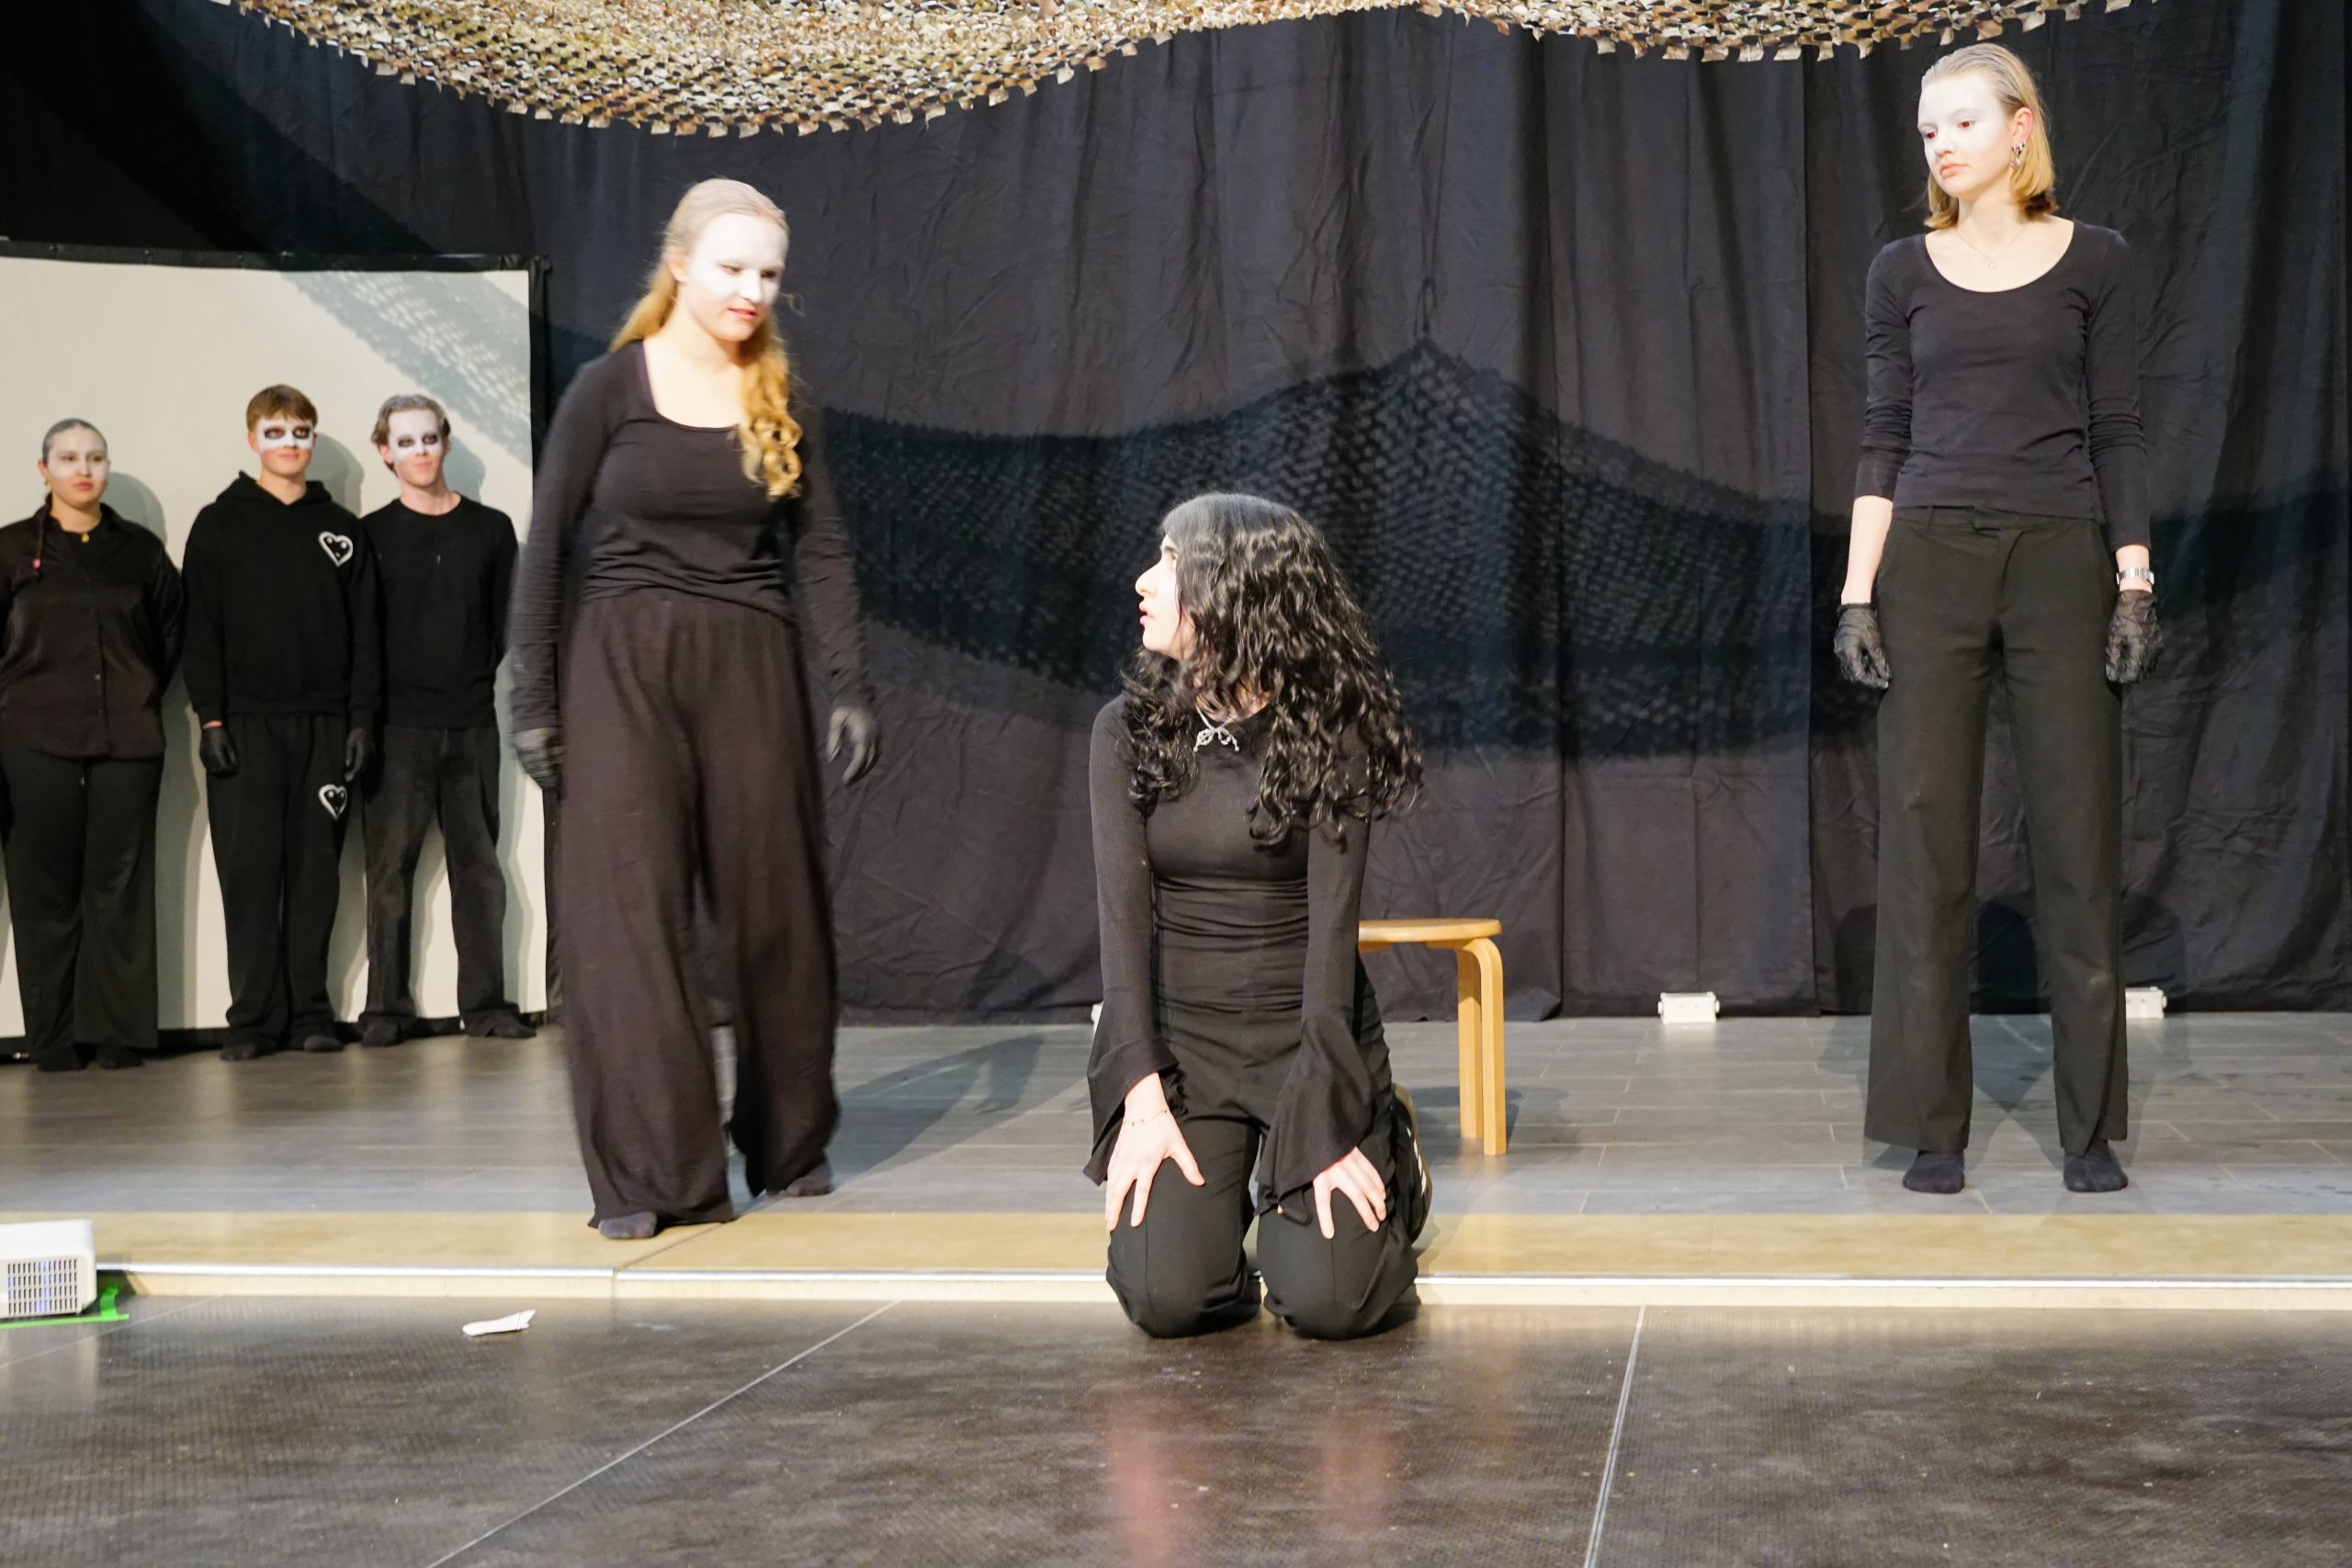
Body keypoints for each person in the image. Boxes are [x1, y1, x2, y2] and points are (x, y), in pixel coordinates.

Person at [507, 179, 879, 1240]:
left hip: (749, 662)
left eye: (768, 273)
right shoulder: (607, 390)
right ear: (679, 266)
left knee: (774, 910)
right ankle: (651, 1172)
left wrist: (850, 682)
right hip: (622, 664)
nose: (750, 290)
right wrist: (533, 700)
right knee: (627, 918)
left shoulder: (785, 397)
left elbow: (821, 549)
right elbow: (546, 548)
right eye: (731, 268)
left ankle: (787, 1137)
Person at [1832, 43, 2159, 1197]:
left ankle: (2089, 1128)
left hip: (2060, 558)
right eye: (1928, 130)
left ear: (2020, 128)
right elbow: (1882, 435)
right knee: (1925, 844)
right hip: (1927, 561)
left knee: (2077, 839)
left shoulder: (2097, 260)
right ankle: (1931, 1126)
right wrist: (1856, 593)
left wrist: (2133, 581)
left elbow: (2116, 428)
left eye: (1963, 123)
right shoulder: (1899, 272)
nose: (1942, 145)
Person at [1087, 492, 1430, 1340]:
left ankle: (1393, 1150)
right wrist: (1141, 1100)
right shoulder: (1126, 731)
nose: (1145, 580)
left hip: (1303, 1035)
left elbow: (1333, 940)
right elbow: (1121, 931)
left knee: (1333, 1298)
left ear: (1235, 592)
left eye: (1172, 563)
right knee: (1167, 1295)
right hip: (1185, 1048)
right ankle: (1222, 1218)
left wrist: (1330, 1107)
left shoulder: (1329, 734)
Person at [183, 386, 380, 1060]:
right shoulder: (219, 523)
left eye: (300, 432)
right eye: (275, 432)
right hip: (244, 727)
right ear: (253, 440)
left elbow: (366, 635)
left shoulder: (343, 530)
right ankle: (251, 1020)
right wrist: (211, 718)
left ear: (312, 440)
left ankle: (309, 1015)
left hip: (325, 728)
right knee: (249, 876)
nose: (289, 443)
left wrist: (360, 719)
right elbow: (201, 627)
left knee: (315, 875)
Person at [0, 421, 185, 1071]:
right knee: (42, 888)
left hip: (127, 739)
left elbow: (169, 634)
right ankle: (52, 1037)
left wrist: (138, 691)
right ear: (43, 469)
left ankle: (117, 1033)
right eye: (69, 458)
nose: (84, 469)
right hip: (31, 739)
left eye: (96, 457)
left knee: (120, 889)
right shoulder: (10, 550)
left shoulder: (138, 551)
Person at [356, 393, 532, 1048]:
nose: (420, 451)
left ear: (446, 443)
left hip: (471, 721)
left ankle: (486, 1005)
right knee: (389, 872)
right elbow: (363, 633)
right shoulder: (371, 534)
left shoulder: (490, 530)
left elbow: (504, 624)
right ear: (385, 453)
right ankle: (385, 1010)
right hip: (397, 727)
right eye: (405, 442)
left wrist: (471, 676)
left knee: (479, 870)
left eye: (429, 438)